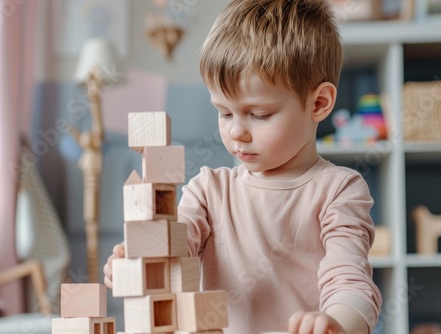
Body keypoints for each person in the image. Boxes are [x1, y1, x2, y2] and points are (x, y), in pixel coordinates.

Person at [104, 0, 382, 333]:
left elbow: (351, 284)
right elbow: (175, 250)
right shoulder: (208, 191)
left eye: (259, 115)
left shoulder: (339, 190)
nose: (236, 131)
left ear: (319, 103)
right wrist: (138, 262)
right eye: (224, 113)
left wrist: (336, 323)